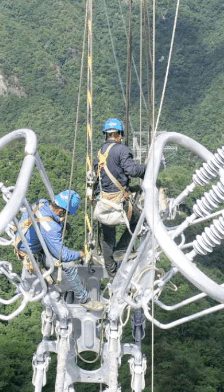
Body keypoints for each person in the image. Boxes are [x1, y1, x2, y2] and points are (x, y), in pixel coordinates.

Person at [15, 189, 105, 311]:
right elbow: (63, 256)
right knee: (70, 265)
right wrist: (81, 254)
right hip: (32, 253)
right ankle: (84, 300)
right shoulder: (51, 228)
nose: (66, 216)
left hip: (25, 240)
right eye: (66, 213)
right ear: (61, 211)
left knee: (59, 234)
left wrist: (61, 224)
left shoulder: (41, 203)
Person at [92, 118, 145, 276]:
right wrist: (149, 168)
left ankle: (112, 271)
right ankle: (121, 249)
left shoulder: (101, 152)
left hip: (103, 199)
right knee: (139, 218)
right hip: (118, 198)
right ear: (119, 134)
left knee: (108, 236)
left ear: (106, 135)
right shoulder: (122, 150)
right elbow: (132, 170)